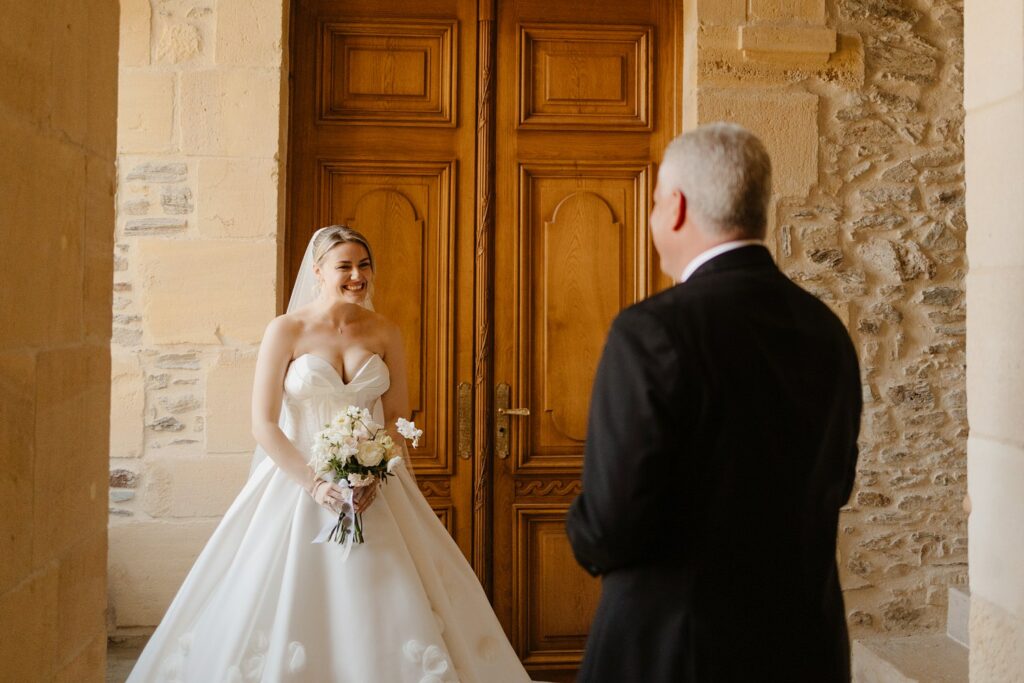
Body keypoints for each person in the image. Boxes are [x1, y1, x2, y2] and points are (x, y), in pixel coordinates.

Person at [128, 226, 530, 683]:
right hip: (297, 484)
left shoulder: (385, 332)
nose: (357, 275)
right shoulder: (286, 330)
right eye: (345, 266)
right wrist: (315, 484)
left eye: (364, 264)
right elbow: (263, 423)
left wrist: (375, 472)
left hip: (372, 485)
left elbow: (397, 415)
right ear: (318, 271)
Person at [565, 123, 862, 682]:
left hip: (680, 652)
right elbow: (836, 483)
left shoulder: (651, 330)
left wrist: (581, 532)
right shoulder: (826, 330)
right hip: (806, 647)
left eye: (654, 201)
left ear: (674, 208)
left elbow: (610, 525)